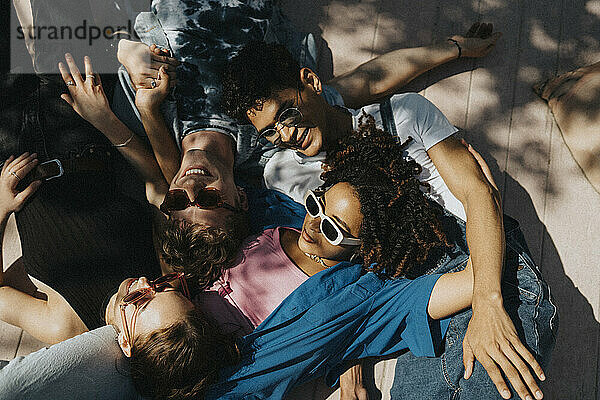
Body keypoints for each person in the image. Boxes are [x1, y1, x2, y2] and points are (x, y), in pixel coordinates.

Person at [220, 40, 556, 400]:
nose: (286, 135)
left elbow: (478, 194)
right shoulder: (282, 174)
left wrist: (489, 302)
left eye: (286, 115)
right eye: (270, 132)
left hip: (488, 270)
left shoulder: (403, 115)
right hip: (419, 305)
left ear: (311, 83)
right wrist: (353, 373)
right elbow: (343, 269)